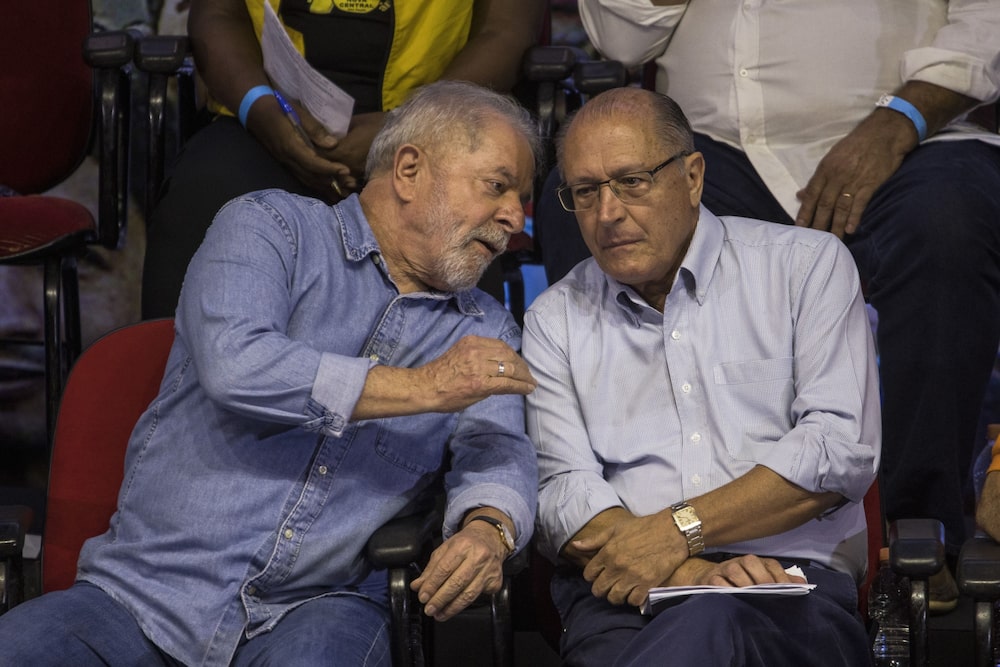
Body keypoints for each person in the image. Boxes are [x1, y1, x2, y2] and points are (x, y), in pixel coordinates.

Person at [0, 80, 540, 666]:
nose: (515, 216)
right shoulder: (269, 227)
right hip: (140, 596)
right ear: (408, 171)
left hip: (319, 605)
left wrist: (490, 527)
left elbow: (497, 449)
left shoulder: (484, 327)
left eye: (522, 197)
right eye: (498, 186)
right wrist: (426, 386)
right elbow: (238, 363)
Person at [534, 0, 1000, 610]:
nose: (607, 206)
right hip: (718, 144)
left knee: (947, 225)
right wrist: (674, 543)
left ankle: (916, 527)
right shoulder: (614, 213)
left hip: (906, 131)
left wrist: (903, 117)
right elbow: (623, 38)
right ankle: (634, 531)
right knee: (587, 204)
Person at [524, 87, 879, 666]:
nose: (607, 213)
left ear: (692, 177)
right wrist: (684, 565)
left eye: (632, 182)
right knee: (699, 623)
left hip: (790, 587)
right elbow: (560, 489)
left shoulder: (806, 267)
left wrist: (677, 530)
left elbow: (837, 451)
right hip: (625, 596)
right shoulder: (554, 319)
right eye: (585, 192)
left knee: (713, 623)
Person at [141, 0, 545, 319]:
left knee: (454, 224)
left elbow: (505, 30)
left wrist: (408, 125)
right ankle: (178, 407)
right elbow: (218, 13)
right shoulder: (264, 120)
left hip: (431, 124)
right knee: (202, 197)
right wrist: (263, 112)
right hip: (268, 119)